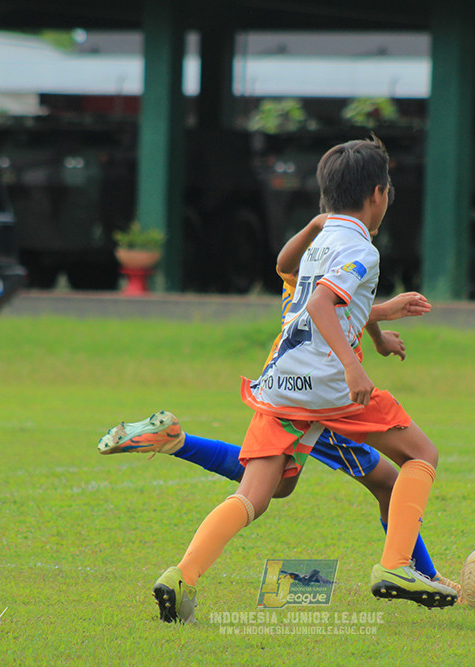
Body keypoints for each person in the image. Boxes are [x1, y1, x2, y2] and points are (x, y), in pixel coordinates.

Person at [150, 135, 456, 623]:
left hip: (280, 384)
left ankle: (181, 576)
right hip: (329, 387)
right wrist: (355, 366)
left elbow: (291, 272)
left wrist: (375, 334)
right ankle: (397, 565)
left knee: (255, 495)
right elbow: (320, 305)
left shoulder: (321, 242)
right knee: (422, 455)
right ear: (378, 194)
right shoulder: (361, 248)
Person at [97, 213, 460, 603]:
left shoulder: (309, 261)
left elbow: (306, 284)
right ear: (375, 197)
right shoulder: (350, 252)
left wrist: (377, 326)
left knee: (271, 487)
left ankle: (176, 457)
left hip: (280, 385)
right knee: (390, 480)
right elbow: (330, 308)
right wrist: (376, 328)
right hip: (323, 397)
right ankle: (418, 571)